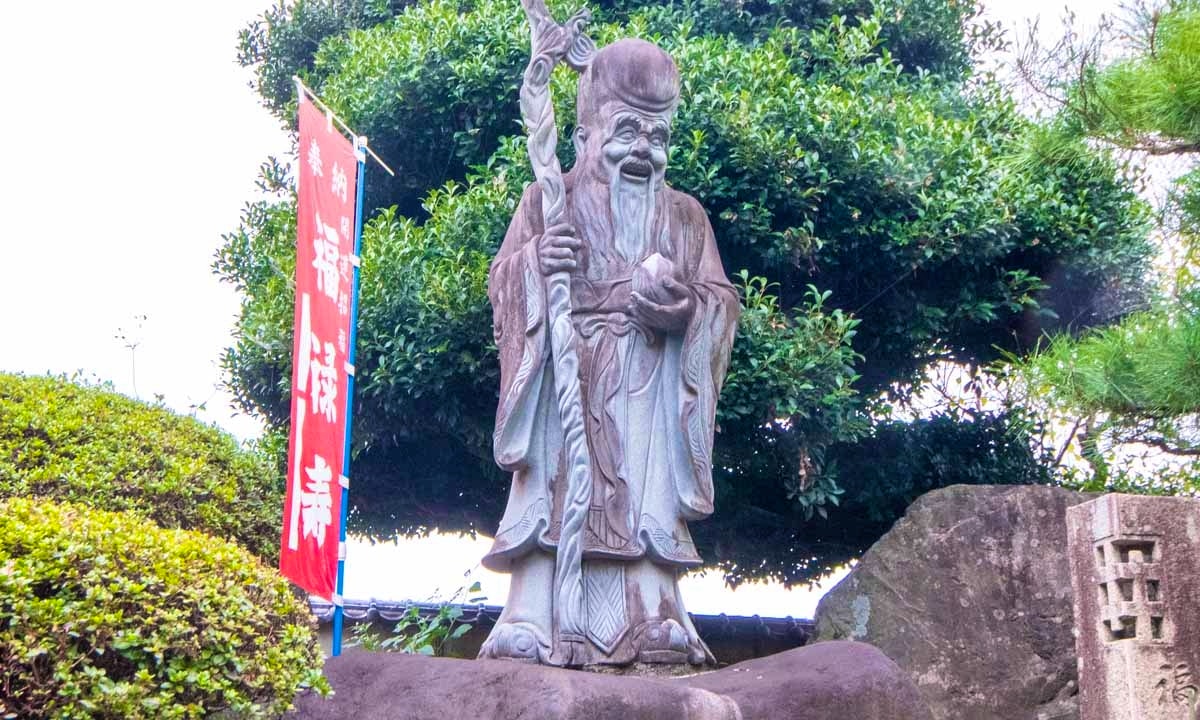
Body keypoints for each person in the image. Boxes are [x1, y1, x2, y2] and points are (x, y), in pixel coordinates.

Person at [480, 38, 740, 666]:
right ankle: (534, 616)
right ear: (582, 139)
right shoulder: (547, 199)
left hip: (648, 382)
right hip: (565, 367)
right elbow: (502, 284)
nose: (642, 151)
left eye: (657, 136)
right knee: (548, 486)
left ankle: (656, 613)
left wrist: (688, 315)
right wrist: (537, 267)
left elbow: (719, 299)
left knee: (646, 500)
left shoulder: (685, 217)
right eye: (626, 132)